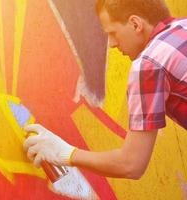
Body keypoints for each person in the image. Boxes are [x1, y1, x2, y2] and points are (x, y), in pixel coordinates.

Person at [23, 0, 187, 179]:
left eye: (113, 33)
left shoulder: (150, 65)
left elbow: (131, 164)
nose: (112, 44)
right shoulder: (182, 26)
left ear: (135, 24)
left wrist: (66, 153)